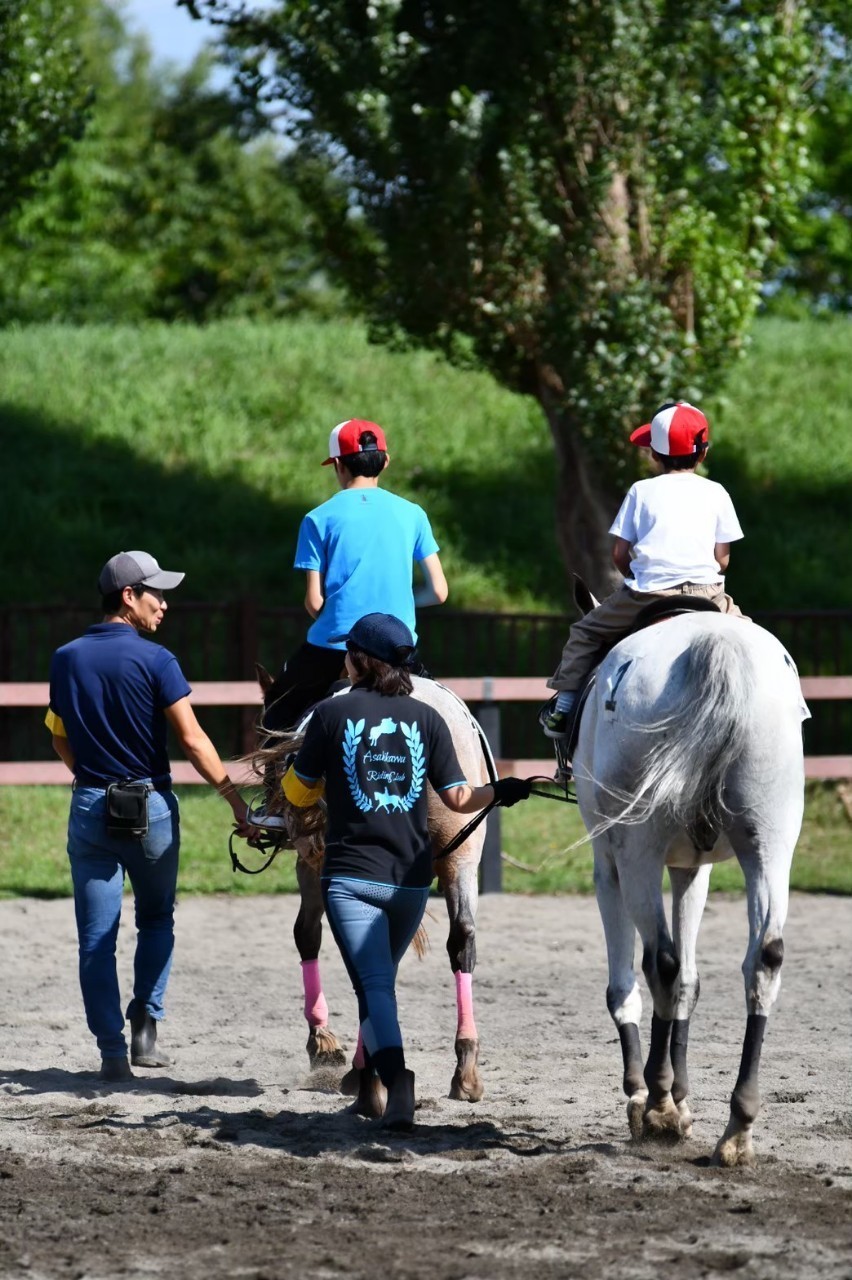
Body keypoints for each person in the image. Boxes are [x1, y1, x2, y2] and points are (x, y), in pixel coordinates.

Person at [279, 611, 531, 1130]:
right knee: (378, 984)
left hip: (351, 879)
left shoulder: (330, 714)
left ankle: (398, 1081)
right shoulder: (429, 719)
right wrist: (502, 791)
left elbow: (298, 795)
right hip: (412, 884)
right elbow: (458, 799)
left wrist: (314, 784)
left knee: (374, 986)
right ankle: (367, 1085)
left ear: (357, 661)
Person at [46, 550, 252, 1082]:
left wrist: (89, 776)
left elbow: (58, 735)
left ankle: (111, 1053)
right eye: (156, 593)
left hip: (91, 807)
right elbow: (193, 740)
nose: (164, 603)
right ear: (128, 596)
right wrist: (234, 801)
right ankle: (145, 1025)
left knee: (95, 939)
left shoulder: (66, 658)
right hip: (150, 808)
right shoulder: (158, 660)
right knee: (156, 919)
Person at [543, 401, 745, 740]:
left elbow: (619, 554)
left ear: (654, 454)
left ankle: (562, 711)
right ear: (703, 453)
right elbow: (722, 560)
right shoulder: (717, 492)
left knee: (585, 632)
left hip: (648, 593)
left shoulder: (641, 491)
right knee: (752, 638)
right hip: (708, 595)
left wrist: (633, 575)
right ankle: (788, 705)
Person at [262, 419, 448, 735]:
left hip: (334, 648)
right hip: (397, 647)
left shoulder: (317, 518)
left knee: (276, 716)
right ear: (385, 462)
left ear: (338, 465)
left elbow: (314, 602)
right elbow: (439, 592)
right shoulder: (414, 513)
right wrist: (397, 604)